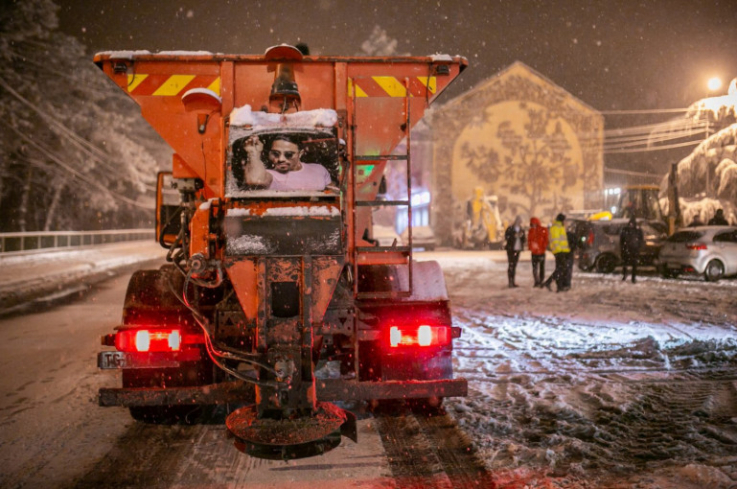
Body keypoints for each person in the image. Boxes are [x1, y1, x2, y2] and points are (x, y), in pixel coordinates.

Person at [243, 134, 331, 191]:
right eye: (276, 154)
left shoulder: (318, 169)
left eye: (288, 154)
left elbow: (333, 191)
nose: (281, 159)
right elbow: (255, 180)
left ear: (300, 154)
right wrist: (253, 153)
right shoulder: (270, 175)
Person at [542, 213, 570, 292]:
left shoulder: (560, 227)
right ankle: (549, 283)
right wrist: (559, 250)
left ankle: (558, 286)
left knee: (560, 269)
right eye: (565, 220)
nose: (566, 222)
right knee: (561, 269)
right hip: (559, 251)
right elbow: (555, 240)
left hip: (561, 251)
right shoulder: (556, 227)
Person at [620, 216, 644, 284]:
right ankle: (625, 275)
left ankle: (632, 278)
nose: (631, 225)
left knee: (633, 264)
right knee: (626, 263)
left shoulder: (636, 230)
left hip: (633, 249)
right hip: (628, 249)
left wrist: (638, 246)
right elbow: (622, 240)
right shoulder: (627, 230)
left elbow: (640, 239)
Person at [504, 216, 525, 288]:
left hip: (517, 249)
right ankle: (510, 281)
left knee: (514, 265)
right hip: (511, 249)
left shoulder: (521, 229)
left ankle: (513, 281)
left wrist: (521, 237)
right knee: (511, 265)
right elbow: (506, 237)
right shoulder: (510, 228)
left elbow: (524, 239)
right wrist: (514, 236)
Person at [527, 217, 549, 287]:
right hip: (535, 252)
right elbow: (529, 240)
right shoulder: (531, 231)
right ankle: (537, 281)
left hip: (541, 252)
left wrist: (543, 247)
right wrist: (531, 247)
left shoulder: (543, 230)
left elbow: (546, 239)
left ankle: (540, 280)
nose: (533, 225)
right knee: (535, 268)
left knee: (541, 268)